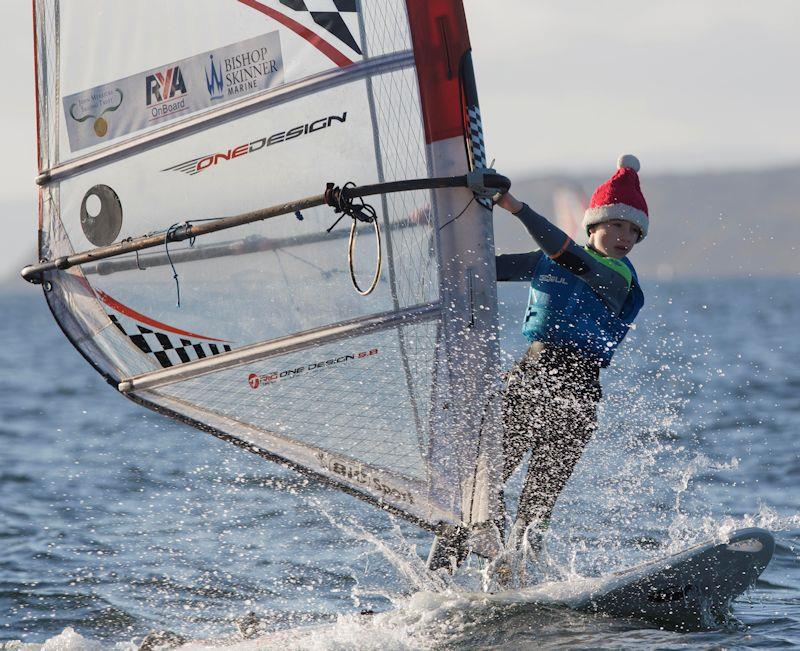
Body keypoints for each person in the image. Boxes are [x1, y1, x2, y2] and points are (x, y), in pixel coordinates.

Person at [493, 154, 648, 554]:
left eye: (633, 230)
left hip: (578, 393)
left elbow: (564, 253)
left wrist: (515, 207)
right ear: (593, 224)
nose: (625, 236)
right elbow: (477, 269)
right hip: (529, 378)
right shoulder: (548, 261)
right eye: (616, 224)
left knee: (537, 505)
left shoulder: (618, 276)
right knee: (483, 483)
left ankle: (521, 575)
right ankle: (443, 573)